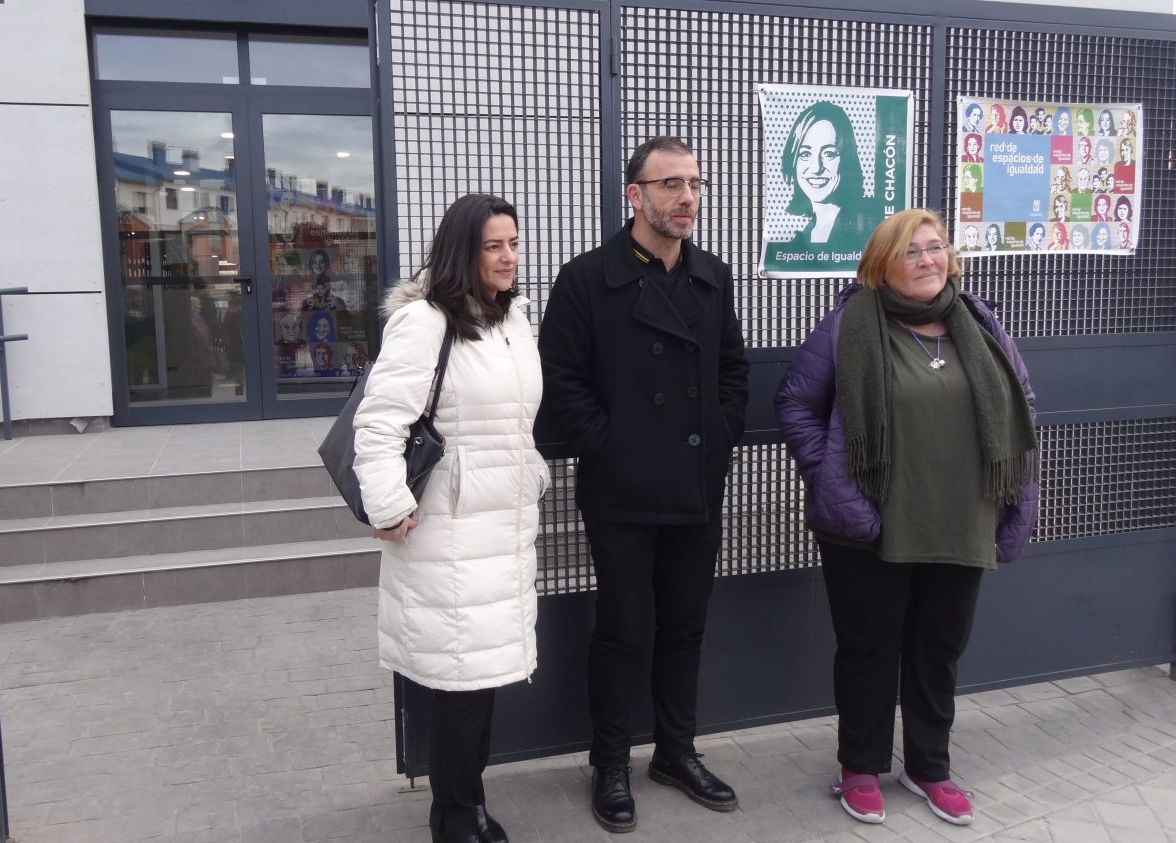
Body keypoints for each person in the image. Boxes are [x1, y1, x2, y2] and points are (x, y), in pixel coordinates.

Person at [774, 208, 1038, 829]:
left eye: (935, 247)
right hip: (871, 525)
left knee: (937, 650)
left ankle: (929, 767)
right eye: (911, 251)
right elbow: (795, 404)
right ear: (882, 264)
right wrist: (831, 475)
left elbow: (1020, 402)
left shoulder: (978, 323)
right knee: (869, 650)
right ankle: (859, 768)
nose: (927, 260)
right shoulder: (848, 326)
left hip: (960, 520)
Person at [536, 136, 749, 833]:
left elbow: (732, 373)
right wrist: (613, 446)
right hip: (621, 491)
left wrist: (715, 441)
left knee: (685, 626)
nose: (686, 197)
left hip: (692, 485)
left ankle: (676, 751)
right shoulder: (588, 278)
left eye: (694, 183)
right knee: (623, 631)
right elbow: (560, 383)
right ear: (635, 194)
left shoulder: (712, 275)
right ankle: (611, 762)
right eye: (669, 184)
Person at [353, 194, 548, 843]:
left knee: (482, 681)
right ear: (463, 250)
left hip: (502, 525)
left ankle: (468, 804)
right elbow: (380, 421)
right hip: (448, 529)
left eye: (513, 243)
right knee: (460, 683)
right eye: (493, 245)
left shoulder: (513, 318)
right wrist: (388, 503)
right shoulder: (426, 321)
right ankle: (453, 816)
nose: (508, 256)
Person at [779, 102, 870, 246]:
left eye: (829, 153)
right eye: (805, 153)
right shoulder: (805, 235)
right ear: (793, 161)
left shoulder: (867, 224)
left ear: (846, 158)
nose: (816, 168)